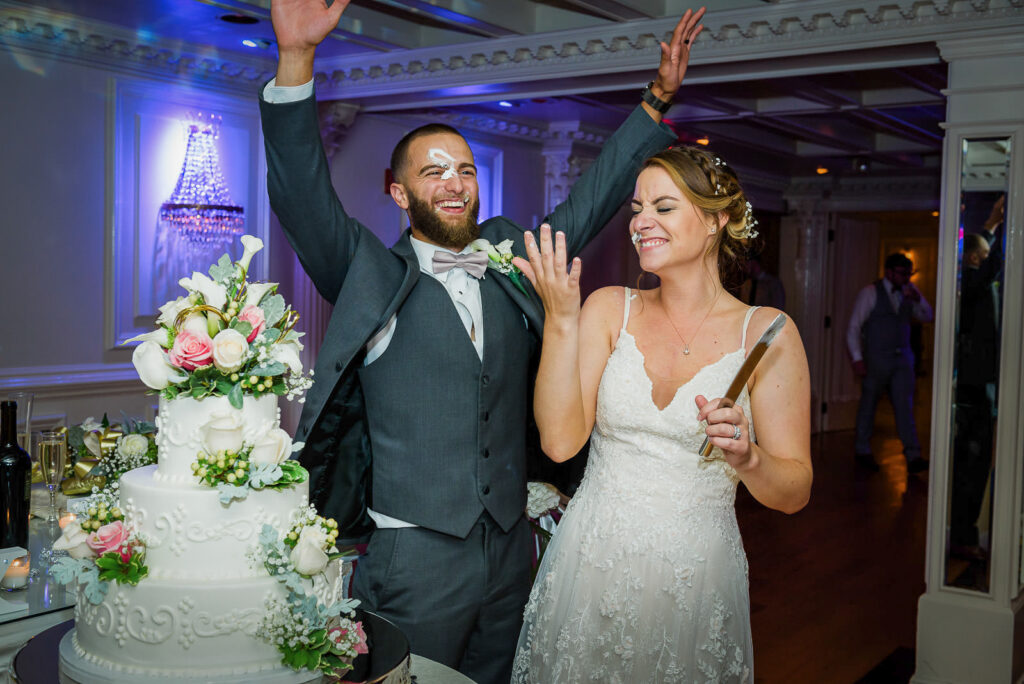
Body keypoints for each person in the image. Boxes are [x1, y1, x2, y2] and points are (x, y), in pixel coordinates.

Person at [259, 1, 706, 680]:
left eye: (464, 170)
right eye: (433, 171)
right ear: (398, 193)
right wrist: (296, 63)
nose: (454, 182)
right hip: (414, 558)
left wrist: (656, 100)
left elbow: (587, 204)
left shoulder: (508, 259)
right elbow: (302, 195)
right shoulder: (368, 273)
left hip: (510, 551)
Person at [510, 147, 812, 682]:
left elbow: (794, 492)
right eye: (636, 208)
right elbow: (559, 444)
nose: (641, 221)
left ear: (717, 220)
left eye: (663, 207)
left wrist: (749, 456)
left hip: (695, 576)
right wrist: (561, 320)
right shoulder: (609, 308)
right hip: (591, 562)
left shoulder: (767, 335)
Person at [950, 196, 1004, 559]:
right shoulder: (969, 282)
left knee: (976, 465)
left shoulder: (975, 283)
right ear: (973, 256)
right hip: (970, 391)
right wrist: (995, 224)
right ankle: (964, 538)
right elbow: (992, 268)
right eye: (982, 253)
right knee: (971, 468)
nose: (986, 257)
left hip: (979, 387)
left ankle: (966, 535)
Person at [846, 252, 933, 472]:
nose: (907, 278)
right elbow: (854, 327)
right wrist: (857, 358)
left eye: (909, 274)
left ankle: (913, 455)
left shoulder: (909, 292)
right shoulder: (870, 292)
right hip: (876, 357)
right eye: (903, 273)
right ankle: (862, 450)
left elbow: (927, 316)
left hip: (902, 358)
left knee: (905, 406)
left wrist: (917, 299)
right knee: (869, 404)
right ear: (889, 272)